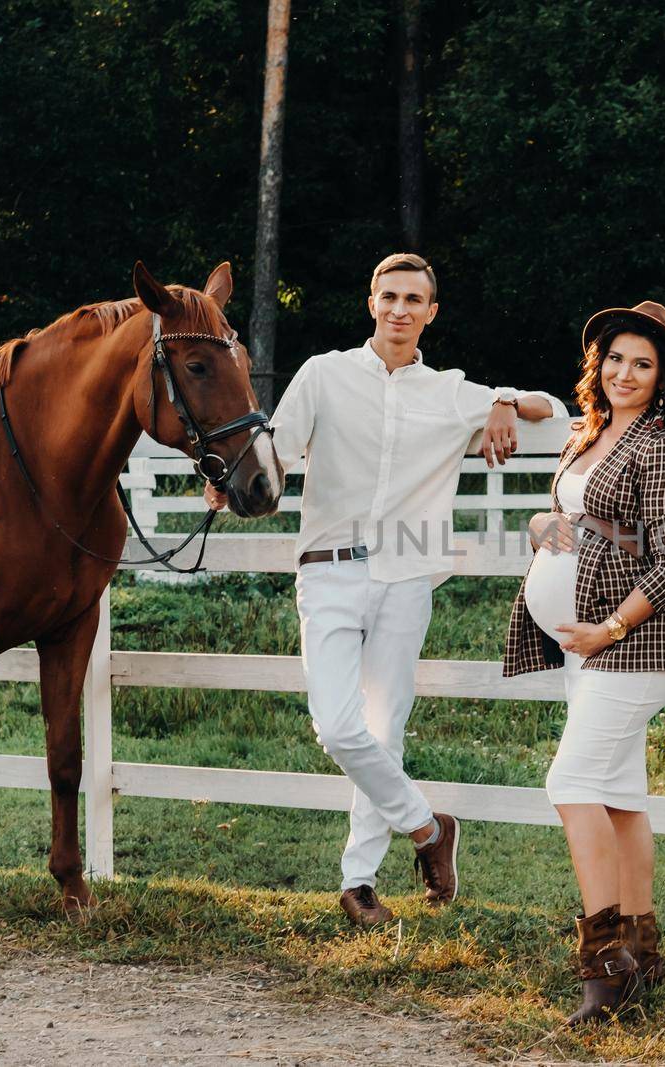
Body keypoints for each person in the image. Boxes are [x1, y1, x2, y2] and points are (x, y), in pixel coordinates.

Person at [210, 253, 567, 928]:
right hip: (328, 568)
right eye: (390, 296)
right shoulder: (324, 373)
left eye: (414, 300)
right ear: (370, 303)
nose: (401, 309)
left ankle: (359, 881)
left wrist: (498, 400)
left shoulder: (452, 391)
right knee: (338, 725)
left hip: (406, 574)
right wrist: (224, 479)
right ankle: (429, 828)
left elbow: (555, 406)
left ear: (431, 312)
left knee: (385, 729)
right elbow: (274, 453)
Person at [502, 300, 665, 1023]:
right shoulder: (590, 431)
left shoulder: (662, 445)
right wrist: (538, 523)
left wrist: (609, 628)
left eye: (643, 364)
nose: (625, 373)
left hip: (634, 649)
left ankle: (605, 961)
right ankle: (645, 950)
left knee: (570, 779)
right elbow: (569, 516)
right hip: (584, 650)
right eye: (616, 358)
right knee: (619, 794)